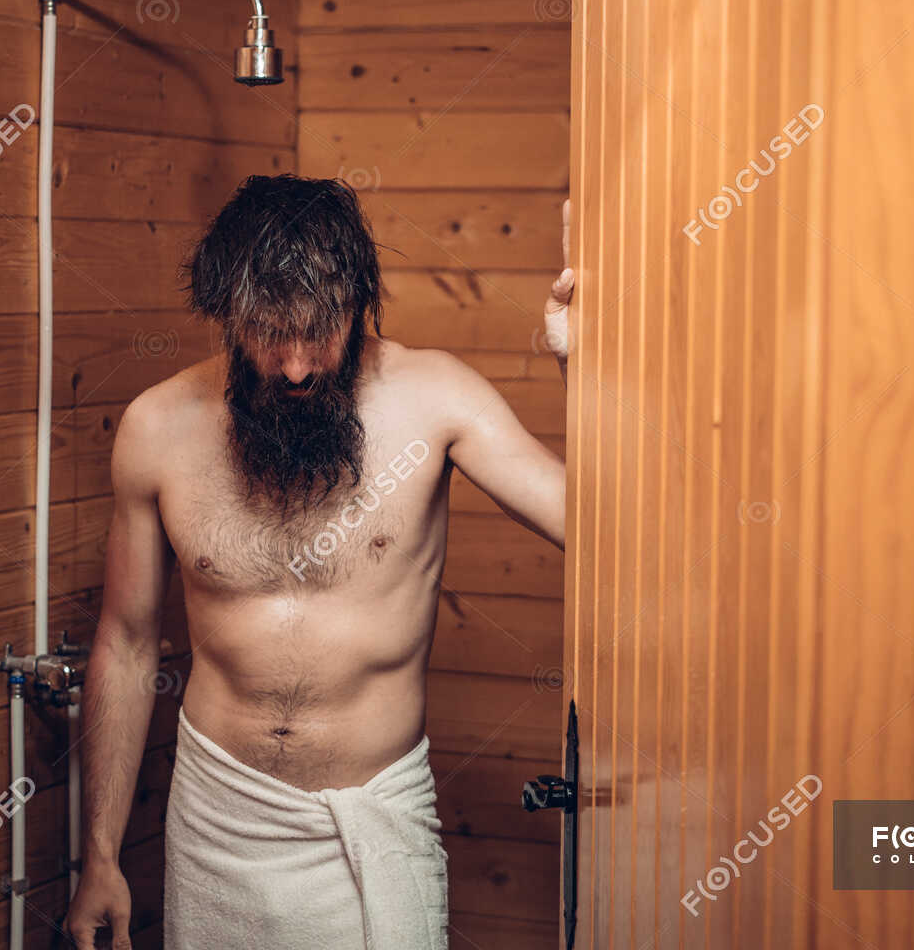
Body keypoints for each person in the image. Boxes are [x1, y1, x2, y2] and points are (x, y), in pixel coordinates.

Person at [66, 175, 573, 949]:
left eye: (321, 332)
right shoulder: (157, 429)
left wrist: (579, 370)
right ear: (227, 314)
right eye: (270, 334)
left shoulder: (435, 399)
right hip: (218, 821)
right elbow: (128, 643)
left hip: (372, 820)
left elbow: (587, 525)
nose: (298, 367)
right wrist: (100, 854)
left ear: (357, 303)